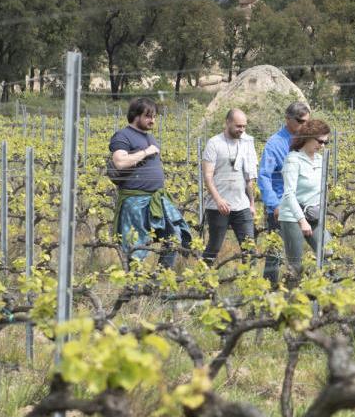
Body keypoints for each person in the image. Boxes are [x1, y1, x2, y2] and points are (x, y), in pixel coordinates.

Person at [109, 97, 191, 268]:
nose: (152, 120)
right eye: (148, 116)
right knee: (136, 246)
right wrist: (146, 152)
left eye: (154, 116)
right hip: (135, 200)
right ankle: (133, 286)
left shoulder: (150, 137)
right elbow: (120, 162)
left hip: (156, 198)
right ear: (135, 115)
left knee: (173, 236)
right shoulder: (123, 136)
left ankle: (160, 280)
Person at [259, 101, 310, 285]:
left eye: (307, 121)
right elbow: (264, 176)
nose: (305, 125)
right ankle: (269, 289)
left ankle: (297, 288)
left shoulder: (306, 140)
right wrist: (274, 204)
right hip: (281, 207)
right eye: (300, 121)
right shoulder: (275, 143)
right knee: (276, 253)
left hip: (304, 205)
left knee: (305, 250)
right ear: (287, 119)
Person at [201, 109, 258, 264]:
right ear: (227, 122)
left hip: (242, 205)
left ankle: (250, 283)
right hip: (217, 207)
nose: (242, 130)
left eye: (244, 126)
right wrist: (219, 200)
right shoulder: (214, 143)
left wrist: (252, 203)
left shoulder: (246, 143)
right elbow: (207, 176)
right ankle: (200, 281)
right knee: (214, 246)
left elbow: (248, 177)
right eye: (238, 126)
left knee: (249, 248)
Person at [277, 119, 331, 275]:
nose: (322, 146)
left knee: (328, 253)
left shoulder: (321, 160)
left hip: (313, 214)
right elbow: (289, 194)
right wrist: (302, 221)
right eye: (320, 141)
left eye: (326, 142)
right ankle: (290, 296)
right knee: (295, 266)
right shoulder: (293, 159)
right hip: (293, 216)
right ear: (308, 137)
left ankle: (322, 293)